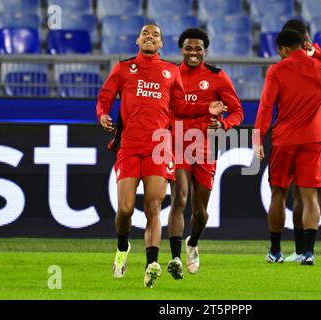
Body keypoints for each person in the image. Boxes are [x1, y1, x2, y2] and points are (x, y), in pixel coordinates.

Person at [96, 23, 226, 288]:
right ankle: (123, 247)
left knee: (153, 206)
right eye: (145, 33)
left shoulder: (170, 71)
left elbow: (180, 107)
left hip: (159, 147)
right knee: (125, 209)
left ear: (161, 43)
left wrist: (206, 108)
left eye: (155, 34)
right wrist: (103, 115)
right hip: (129, 146)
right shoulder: (123, 68)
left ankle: (151, 264)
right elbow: (105, 97)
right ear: (137, 39)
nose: (150, 37)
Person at [253, 28, 321, 265]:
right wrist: (317, 53)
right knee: (309, 196)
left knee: (278, 194)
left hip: (284, 140)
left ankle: (275, 252)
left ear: (283, 49)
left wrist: (258, 138)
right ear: (303, 45)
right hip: (314, 140)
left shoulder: (277, 69)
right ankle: (309, 253)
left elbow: (265, 107)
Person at [167, 28, 244, 280]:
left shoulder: (218, 76)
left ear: (204, 50)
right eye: (188, 48)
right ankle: (176, 258)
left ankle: (193, 243)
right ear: (181, 49)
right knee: (179, 198)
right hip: (176, 144)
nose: (193, 52)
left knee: (200, 212)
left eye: (198, 48)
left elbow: (237, 112)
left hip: (205, 147)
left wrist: (222, 125)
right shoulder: (170, 75)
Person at [280, 19, 321, 263]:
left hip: (303, 135)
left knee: (300, 194)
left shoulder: (295, 64)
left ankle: (301, 250)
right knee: (320, 188)